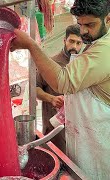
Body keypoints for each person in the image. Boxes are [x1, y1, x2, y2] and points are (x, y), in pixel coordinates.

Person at [11, 0, 110, 178]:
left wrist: (31, 45)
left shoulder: (105, 49)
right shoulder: (96, 42)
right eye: (80, 24)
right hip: (87, 141)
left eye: (90, 25)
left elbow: (62, 82)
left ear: (108, 19)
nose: (83, 31)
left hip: (101, 148)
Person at [36, 24, 83, 153]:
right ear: (64, 40)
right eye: (71, 41)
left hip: (76, 127)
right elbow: (35, 88)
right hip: (54, 127)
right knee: (55, 158)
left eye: (79, 43)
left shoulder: (83, 65)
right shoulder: (51, 63)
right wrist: (51, 98)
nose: (74, 46)